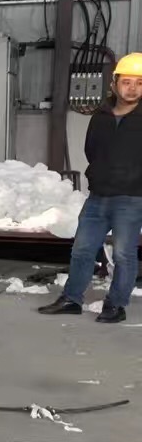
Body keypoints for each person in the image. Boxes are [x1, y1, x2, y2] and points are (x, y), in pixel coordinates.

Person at [39, 53, 142, 323]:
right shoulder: (101, 115)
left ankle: (116, 305)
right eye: (127, 82)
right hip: (98, 197)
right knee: (82, 250)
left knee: (123, 255)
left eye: (139, 83)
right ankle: (71, 299)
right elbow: (91, 150)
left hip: (131, 198)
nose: (132, 88)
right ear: (115, 84)